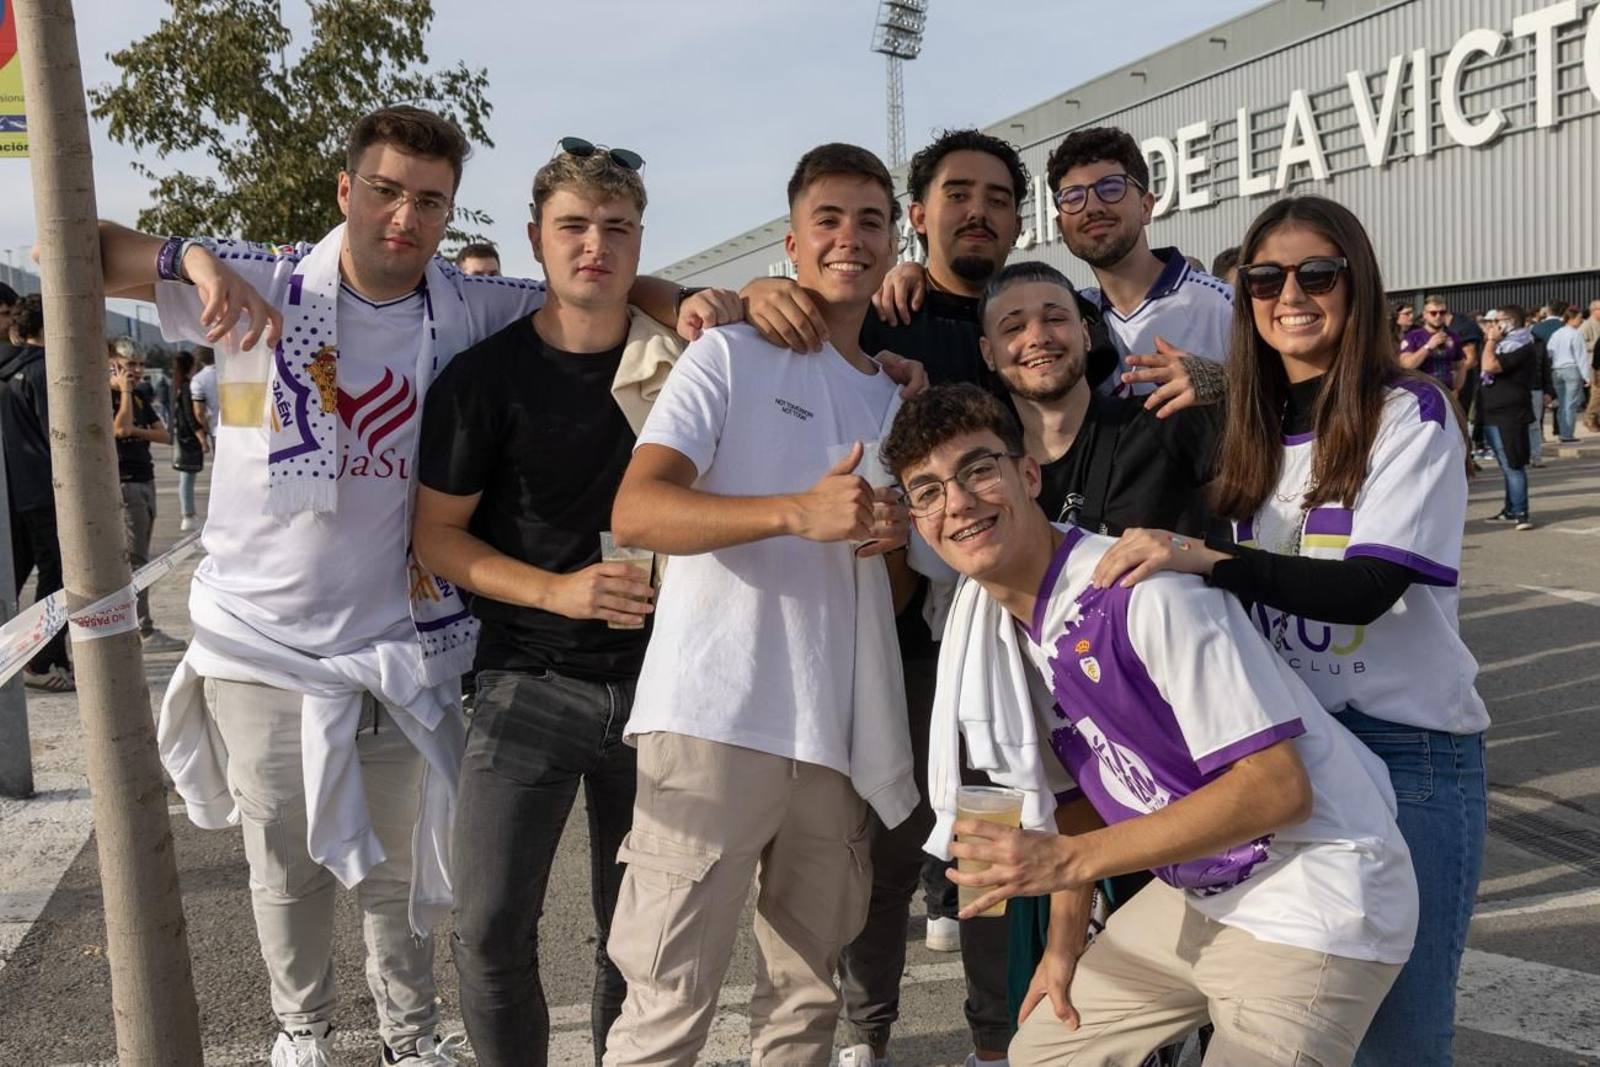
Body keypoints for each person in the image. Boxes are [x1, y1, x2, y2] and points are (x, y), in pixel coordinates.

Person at [102, 104, 707, 1067]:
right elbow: (80, 248)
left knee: (402, 868)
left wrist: (682, 297)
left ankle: (408, 1037)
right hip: (265, 639)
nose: (405, 219)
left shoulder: (467, 304)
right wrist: (188, 259)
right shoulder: (263, 278)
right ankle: (301, 1027)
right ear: (347, 191)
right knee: (286, 864)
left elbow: (594, 276)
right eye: (385, 192)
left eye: (430, 202)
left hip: (399, 641)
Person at [878, 383, 1416, 1067]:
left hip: (1312, 892)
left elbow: (1278, 790)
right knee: (1044, 1051)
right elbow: (1075, 808)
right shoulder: (998, 638)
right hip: (1203, 896)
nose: (956, 502)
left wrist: (1066, 862)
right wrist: (1064, 946)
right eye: (926, 490)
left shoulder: (1140, 591)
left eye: (979, 468)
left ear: (1029, 473)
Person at [1086, 194, 1490, 1066]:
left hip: (1407, 750)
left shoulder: (1409, 413)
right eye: (1266, 278)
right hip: (1287, 757)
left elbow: (1366, 590)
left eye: (1319, 273)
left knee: (1399, 1041)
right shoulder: (1250, 428)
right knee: (1288, 1019)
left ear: (1358, 284)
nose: (1290, 293)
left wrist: (1202, 556)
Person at [739, 128, 1075, 1067]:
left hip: (1027, 643)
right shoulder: (883, 314)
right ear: (918, 216)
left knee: (993, 847)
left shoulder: (1047, 314)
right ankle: (866, 1037)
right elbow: (760, 317)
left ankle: (992, 1040)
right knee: (884, 850)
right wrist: (747, 293)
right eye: (956, 193)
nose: (979, 210)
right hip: (902, 643)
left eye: (999, 196)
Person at [603, 142, 918, 1067]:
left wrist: (892, 544)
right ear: (792, 240)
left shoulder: (894, 400)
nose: (849, 238)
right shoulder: (729, 354)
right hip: (710, 715)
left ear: (894, 241)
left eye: (870, 220)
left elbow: (885, 590)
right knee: (668, 1001)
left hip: (833, 735)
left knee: (804, 1003)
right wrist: (794, 510)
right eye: (829, 219)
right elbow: (638, 508)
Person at [414, 142, 686, 1066]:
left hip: (664, 687)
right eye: (573, 226)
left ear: (640, 242)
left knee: (637, 938)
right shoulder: (483, 380)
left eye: (616, 229)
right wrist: (556, 590)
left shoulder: (685, 368)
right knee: (489, 929)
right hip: (526, 681)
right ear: (537, 239)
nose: (594, 246)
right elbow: (436, 537)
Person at [978, 261, 1221, 538]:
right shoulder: (994, 480)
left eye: (1055, 319)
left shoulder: (1163, 424)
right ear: (988, 353)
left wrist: (1221, 383)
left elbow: (1274, 439)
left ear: (1085, 334)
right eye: (1013, 327)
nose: (1038, 338)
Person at [1045, 126, 1233, 395]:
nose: (1093, 208)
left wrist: (1226, 383)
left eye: (1110, 188)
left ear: (1146, 206)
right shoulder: (1069, 319)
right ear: (1061, 225)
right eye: (1074, 197)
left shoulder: (1222, 304)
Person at [0, 294, 74, 691]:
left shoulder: (10, 371)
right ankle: (41, 659)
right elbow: (58, 433)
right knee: (59, 577)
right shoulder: (46, 370)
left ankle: (50, 655)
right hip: (48, 491)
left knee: (22, 572)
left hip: (17, 489)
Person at [108, 338, 183, 652]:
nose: (137, 371)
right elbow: (118, 428)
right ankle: (142, 628)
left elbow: (164, 435)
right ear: (113, 364)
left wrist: (135, 430)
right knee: (136, 560)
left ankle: (138, 624)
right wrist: (124, 392)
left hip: (145, 479)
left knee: (141, 556)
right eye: (130, 365)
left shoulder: (140, 396)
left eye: (139, 364)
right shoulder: (111, 395)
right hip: (125, 484)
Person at [1481, 306, 1540, 530]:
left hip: (1511, 413)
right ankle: (1510, 508)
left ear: (1511, 322)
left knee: (1514, 464)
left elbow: (1489, 365)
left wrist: (1490, 341)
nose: (1494, 325)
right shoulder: (1504, 344)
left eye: (1498, 321)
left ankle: (1521, 513)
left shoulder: (1522, 346)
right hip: (1493, 412)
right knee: (1505, 466)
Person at [169, 350, 205, 531]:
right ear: (191, 365)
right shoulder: (187, 386)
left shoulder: (177, 385)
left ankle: (188, 514)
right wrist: (200, 435)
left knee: (186, 477)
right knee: (187, 477)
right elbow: (191, 414)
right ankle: (188, 515)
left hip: (181, 435)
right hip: (188, 437)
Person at [1398, 294, 1464, 389]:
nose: (1438, 316)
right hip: (1423, 392)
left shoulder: (1453, 337)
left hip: (1446, 392)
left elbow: (1461, 366)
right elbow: (1406, 365)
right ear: (1424, 314)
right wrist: (1428, 346)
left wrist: (1456, 389)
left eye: (1442, 312)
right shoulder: (1412, 337)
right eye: (1433, 313)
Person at [1547, 304, 1589, 442]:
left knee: (1562, 403)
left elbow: (1549, 353)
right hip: (1571, 369)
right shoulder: (1575, 334)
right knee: (1571, 404)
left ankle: (1562, 432)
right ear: (1572, 319)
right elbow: (1581, 356)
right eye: (1579, 318)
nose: (1581, 321)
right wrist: (1587, 376)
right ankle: (1567, 434)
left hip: (1556, 370)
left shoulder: (1556, 333)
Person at [189, 346, 218, 446]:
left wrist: (207, 428)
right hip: (241, 429)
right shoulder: (231, 372)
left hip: (217, 429)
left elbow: (199, 412)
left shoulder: (198, 379)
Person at [1580, 298, 1600, 432]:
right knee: (1596, 393)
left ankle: (1594, 419)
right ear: (1594, 311)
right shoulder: (1587, 325)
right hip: (1594, 364)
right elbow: (1580, 343)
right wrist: (1595, 345)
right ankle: (1589, 418)